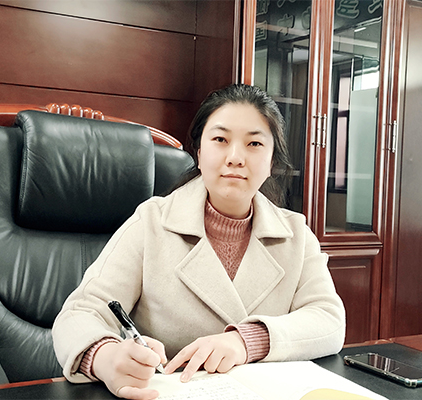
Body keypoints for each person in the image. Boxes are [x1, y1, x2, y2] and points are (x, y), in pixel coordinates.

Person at [52, 84, 346, 400]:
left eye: (254, 143)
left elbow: (328, 319)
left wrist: (246, 341)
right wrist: (105, 356)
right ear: (200, 152)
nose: (235, 157)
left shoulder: (296, 234)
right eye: (220, 140)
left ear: (272, 160)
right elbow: (79, 314)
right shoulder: (151, 222)